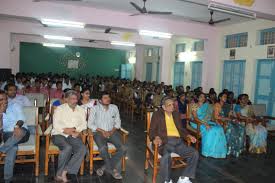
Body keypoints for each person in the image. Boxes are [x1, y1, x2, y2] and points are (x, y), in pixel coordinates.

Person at [149, 96, 198, 183]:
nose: (172, 106)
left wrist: (189, 135)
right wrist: (156, 137)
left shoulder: (176, 114)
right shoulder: (157, 115)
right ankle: (167, 180)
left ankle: (184, 178)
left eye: (173, 104)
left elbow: (181, 129)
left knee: (194, 153)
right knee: (166, 157)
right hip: (165, 142)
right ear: (163, 107)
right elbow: (152, 131)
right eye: (169, 105)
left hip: (178, 142)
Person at [88, 92, 126, 180]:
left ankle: (104, 168)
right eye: (105, 98)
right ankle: (113, 170)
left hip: (112, 132)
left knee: (123, 148)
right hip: (99, 133)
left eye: (108, 97)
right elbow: (90, 124)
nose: (108, 99)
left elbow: (118, 122)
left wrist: (111, 131)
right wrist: (102, 131)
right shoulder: (94, 109)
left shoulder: (114, 107)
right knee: (103, 148)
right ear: (100, 101)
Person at [51, 90, 87, 182]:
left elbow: (84, 124)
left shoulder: (81, 110)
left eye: (76, 99)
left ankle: (65, 171)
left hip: (74, 134)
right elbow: (55, 124)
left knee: (82, 148)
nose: (75, 101)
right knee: (67, 147)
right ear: (66, 99)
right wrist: (66, 130)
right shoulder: (59, 109)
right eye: (72, 99)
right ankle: (58, 175)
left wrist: (76, 130)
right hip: (59, 133)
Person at [0, 90, 30, 183]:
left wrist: (17, 127)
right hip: (7, 134)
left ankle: (2, 150)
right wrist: (0, 114)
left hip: (22, 131)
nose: (4, 101)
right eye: (1, 99)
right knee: (12, 149)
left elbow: (21, 119)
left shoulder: (15, 105)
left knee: (20, 132)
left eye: (5, 98)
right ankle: (8, 180)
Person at [190, 93, 227, 158]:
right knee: (209, 130)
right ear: (197, 98)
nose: (203, 98)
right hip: (197, 122)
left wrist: (215, 121)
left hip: (206, 121)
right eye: (201, 96)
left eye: (204, 97)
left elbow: (212, 117)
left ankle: (217, 151)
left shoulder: (207, 105)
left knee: (219, 128)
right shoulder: (194, 105)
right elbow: (195, 118)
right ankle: (207, 151)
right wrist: (205, 124)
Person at [214, 92, 245, 157]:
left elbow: (230, 116)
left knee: (241, 127)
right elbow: (216, 117)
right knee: (231, 128)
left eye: (226, 97)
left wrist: (233, 118)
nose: (225, 98)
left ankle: (237, 149)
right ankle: (229, 149)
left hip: (227, 120)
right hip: (220, 121)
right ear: (220, 97)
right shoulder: (217, 105)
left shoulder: (227, 105)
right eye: (224, 97)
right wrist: (226, 119)